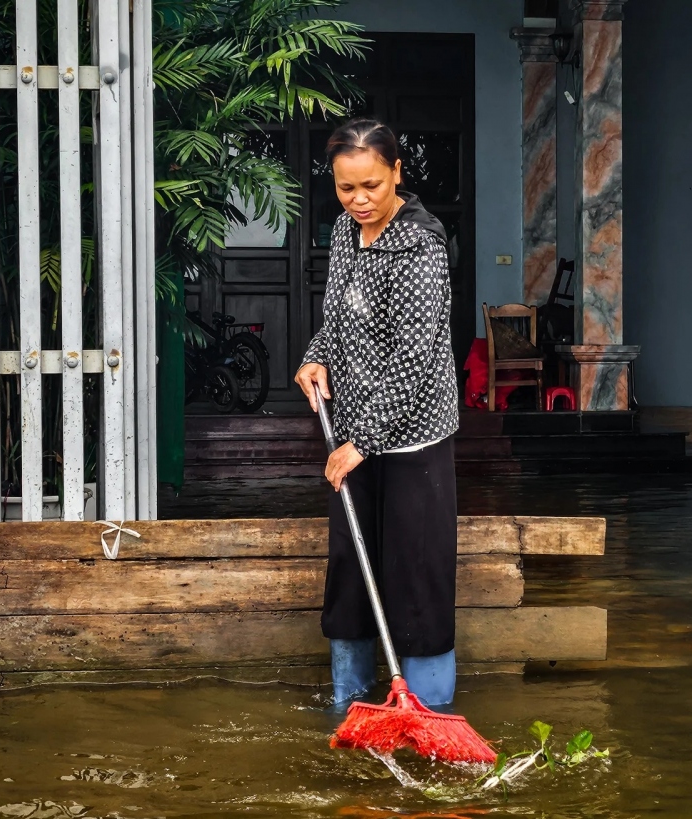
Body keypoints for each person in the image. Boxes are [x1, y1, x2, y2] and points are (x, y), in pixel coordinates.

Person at [294, 117, 460, 708]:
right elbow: (337, 314)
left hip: (412, 438)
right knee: (352, 565)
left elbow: (415, 355)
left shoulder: (419, 244)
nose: (359, 200)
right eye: (346, 188)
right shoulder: (344, 231)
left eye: (371, 185)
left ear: (396, 172)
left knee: (418, 573)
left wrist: (362, 441)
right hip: (354, 433)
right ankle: (353, 701)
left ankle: (431, 708)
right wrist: (316, 357)